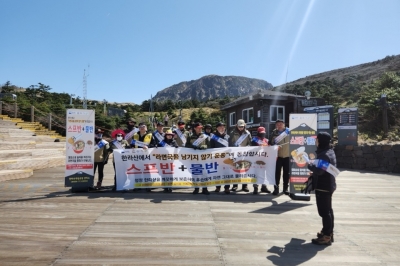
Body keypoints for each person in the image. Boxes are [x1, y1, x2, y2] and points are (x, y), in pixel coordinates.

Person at [308, 132, 337, 246]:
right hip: (328, 184)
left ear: (321, 141)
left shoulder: (324, 155)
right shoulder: (329, 151)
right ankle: (328, 232)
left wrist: (310, 165)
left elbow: (320, 171)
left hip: (323, 186)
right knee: (328, 210)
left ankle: (326, 236)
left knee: (324, 212)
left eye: (317, 140)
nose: (316, 142)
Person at [186, 122, 210, 195]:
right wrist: (192, 146)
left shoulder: (205, 136)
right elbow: (186, 146)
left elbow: (209, 146)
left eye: (201, 128)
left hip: (203, 158)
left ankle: (205, 188)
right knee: (195, 173)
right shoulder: (190, 137)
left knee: (204, 173)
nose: (200, 129)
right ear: (195, 128)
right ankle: (196, 188)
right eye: (198, 128)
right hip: (194, 158)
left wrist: (205, 147)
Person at [229, 119, 252, 192]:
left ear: (244, 126)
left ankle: (244, 186)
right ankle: (235, 185)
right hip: (235, 154)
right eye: (239, 126)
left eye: (242, 126)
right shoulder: (232, 133)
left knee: (245, 170)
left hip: (244, 154)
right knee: (235, 169)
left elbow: (250, 143)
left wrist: (247, 147)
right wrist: (235, 148)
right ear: (236, 126)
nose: (241, 128)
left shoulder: (247, 133)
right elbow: (230, 143)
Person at [269, 119, 290, 195]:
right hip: (277, 156)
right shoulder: (273, 133)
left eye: (281, 124)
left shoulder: (289, 132)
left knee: (286, 173)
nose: (279, 126)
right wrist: (275, 146)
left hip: (287, 155)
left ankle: (285, 188)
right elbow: (270, 143)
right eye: (277, 124)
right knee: (276, 173)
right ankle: (276, 188)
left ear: (284, 124)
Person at [210, 122, 230, 194]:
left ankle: (227, 187)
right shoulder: (213, 137)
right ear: (217, 128)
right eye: (220, 127)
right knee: (218, 173)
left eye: (223, 127)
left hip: (226, 158)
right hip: (217, 158)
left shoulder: (227, 137)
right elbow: (211, 147)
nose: (222, 128)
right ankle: (218, 187)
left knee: (226, 173)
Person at [251, 127, 272, 194]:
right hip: (256, 159)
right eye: (261, 133)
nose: (262, 134)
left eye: (263, 133)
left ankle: (264, 187)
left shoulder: (266, 140)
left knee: (264, 174)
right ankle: (255, 187)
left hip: (264, 159)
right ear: (258, 133)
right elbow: (252, 148)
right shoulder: (254, 140)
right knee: (256, 173)